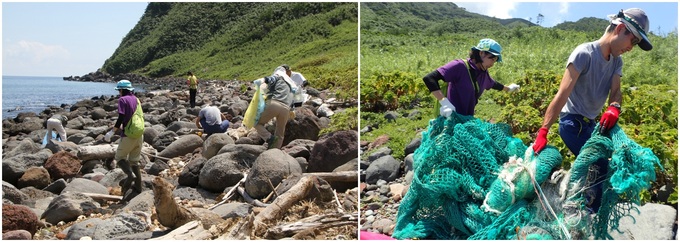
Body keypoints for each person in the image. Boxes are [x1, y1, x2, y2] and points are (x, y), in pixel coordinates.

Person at [531, 8, 652, 213]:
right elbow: (561, 95)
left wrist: (614, 107)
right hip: (571, 123)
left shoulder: (616, 61)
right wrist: (543, 131)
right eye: (633, 41)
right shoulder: (584, 53)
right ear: (621, 28)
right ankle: (586, 215)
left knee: (606, 162)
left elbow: (616, 91)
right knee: (598, 164)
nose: (631, 48)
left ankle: (581, 205)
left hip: (591, 125)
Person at [422, 38, 520, 118]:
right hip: (450, 118)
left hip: (467, 121)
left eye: (495, 61)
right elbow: (430, 78)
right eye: (492, 59)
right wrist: (444, 102)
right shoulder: (460, 66)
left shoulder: (483, 73)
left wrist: (508, 89)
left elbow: (493, 84)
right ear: (482, 53)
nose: (492, 64)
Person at [111, 80, 144, 197]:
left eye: (119, 90)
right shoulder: (136, 99)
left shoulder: (122, 100)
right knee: (134, 161)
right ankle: (139, 188)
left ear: (122, 90)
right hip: (140, 133)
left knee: (119, 157)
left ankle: (130, 175)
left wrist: (113, 131)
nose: (118, 93)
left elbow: (121, 117)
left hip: (128, 134)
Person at [253, 64, 298, 149]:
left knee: (257, 123)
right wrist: (292, 110)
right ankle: (275, 151)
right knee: (280, 133)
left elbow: (270, 79)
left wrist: (262, 80)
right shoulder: (291, 84)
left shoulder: (278, 76)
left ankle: (269, 138)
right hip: (286, 109)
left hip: (274, 103)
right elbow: (293, 98)